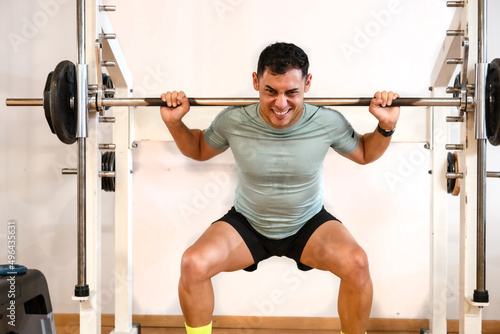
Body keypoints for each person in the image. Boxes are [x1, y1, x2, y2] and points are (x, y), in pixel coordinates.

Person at [160, 42, 400, 334]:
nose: (281, 104)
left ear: (307, 83)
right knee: (193, 264)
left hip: (308, 224)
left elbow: (364, 153)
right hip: (247, 224)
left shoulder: (326, 121)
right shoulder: (234, 120)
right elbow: (198, 148)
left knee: (357, 263)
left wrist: (385, 127)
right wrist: (175, 123)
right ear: (255, 81)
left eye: (291, 92)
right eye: (270, 91)